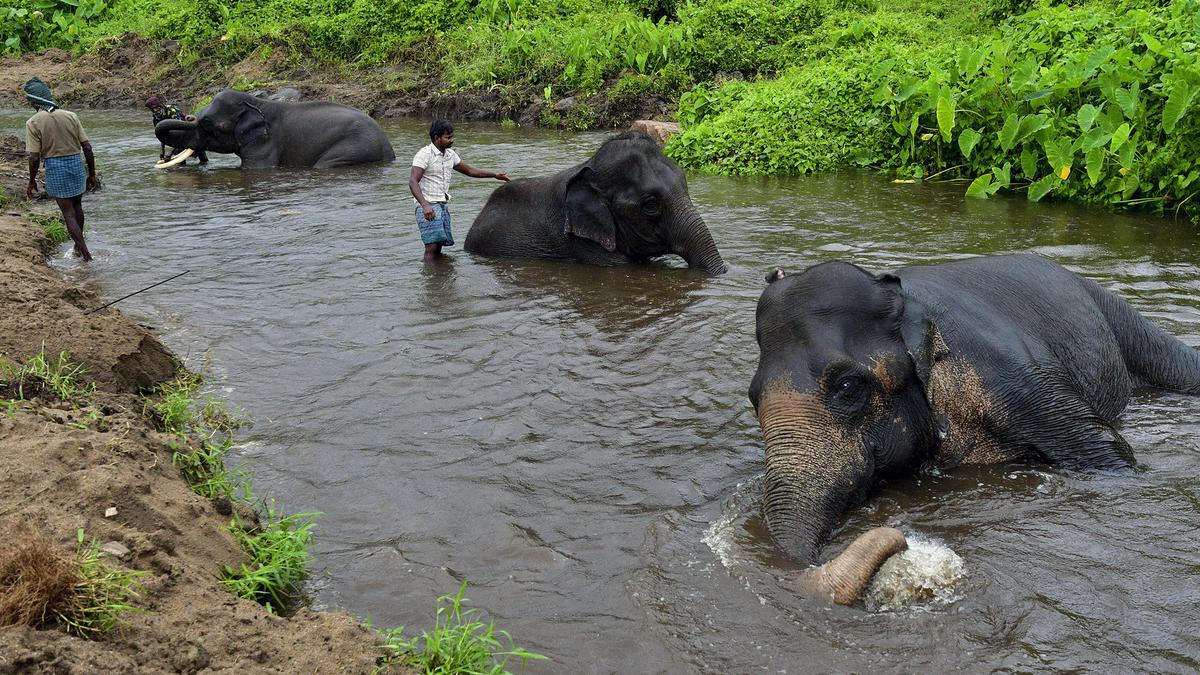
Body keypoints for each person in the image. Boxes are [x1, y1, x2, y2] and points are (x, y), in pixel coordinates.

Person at [409, 120, 510, 262]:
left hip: (442, 203)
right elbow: (413, 181)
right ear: (437, 138)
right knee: (431, 246)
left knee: (439, 245)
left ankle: (439, 277)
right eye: (448, 137)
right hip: (427, 204)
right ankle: (431, 281)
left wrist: (494, 175)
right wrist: (425, 205)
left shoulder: (450, 155)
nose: (452, 140)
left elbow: (469, 171)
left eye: (452, 136)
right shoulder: (424, 154)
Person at [24, 77, 98, 262]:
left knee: (68, 213)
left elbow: (34, 157)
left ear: (34, 102)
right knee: (77, 206)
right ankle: (78, 248)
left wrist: (32, 180)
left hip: (55, 167)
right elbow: (87, 147)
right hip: (76, 163)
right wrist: (92, 173)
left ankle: (86, 254)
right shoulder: (71, 115)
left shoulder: (33, 122)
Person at [145, 95, 207, 165]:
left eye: (156, 108)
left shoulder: (172, 110)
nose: (155, 111)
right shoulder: (156, 118)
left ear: (160, 105)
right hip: (176, 138)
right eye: (152, 109)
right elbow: (161, 135)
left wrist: (171, 152)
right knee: (180, 163)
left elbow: (179, 131)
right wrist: (162, 150)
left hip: (189, 133)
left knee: (202, 156)